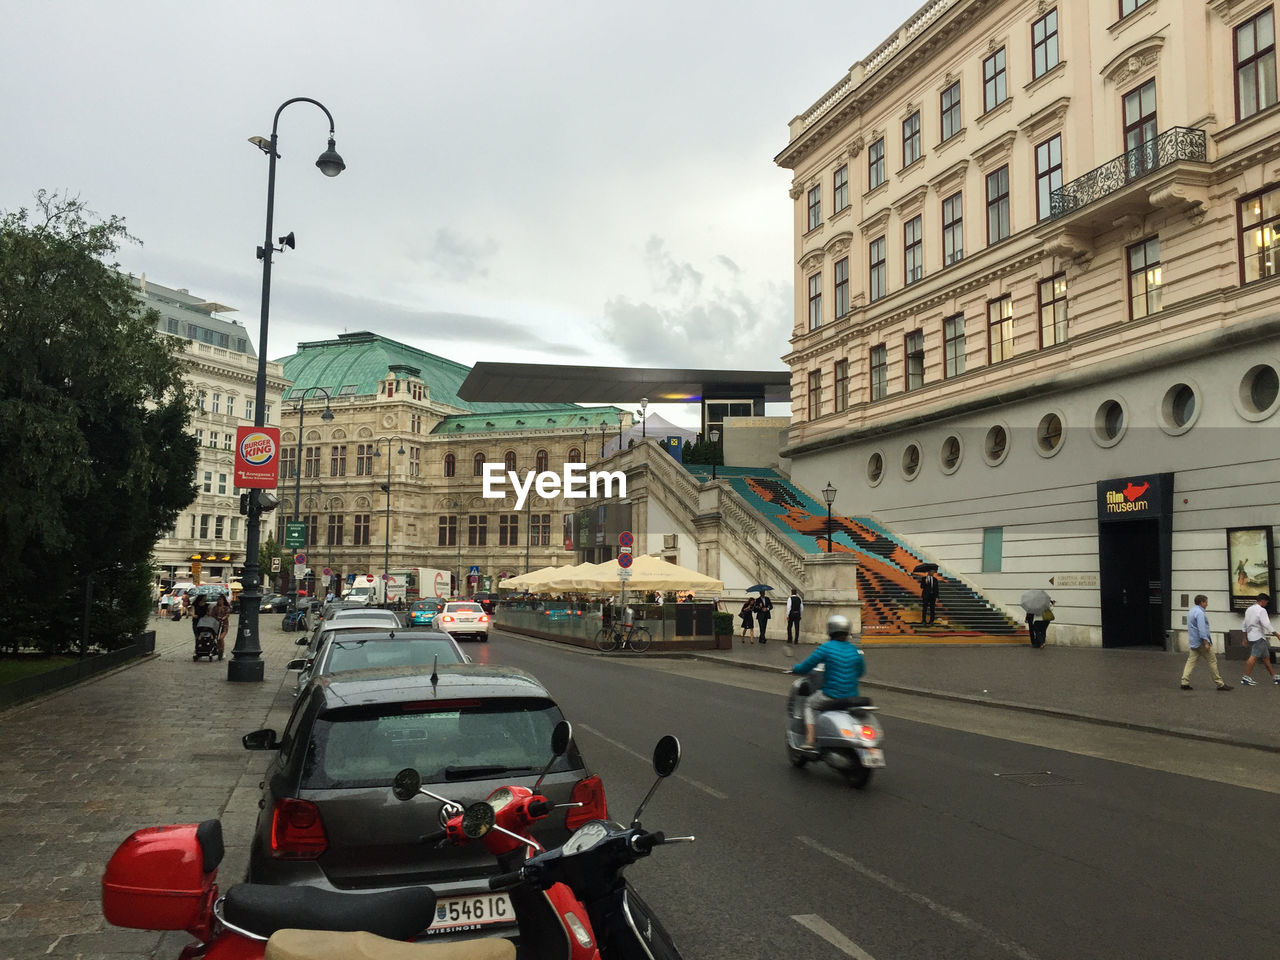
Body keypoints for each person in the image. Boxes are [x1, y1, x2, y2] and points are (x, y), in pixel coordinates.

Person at [790, 614, 865, 751]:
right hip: (852, 696)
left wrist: (795, 668)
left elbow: (807, 665)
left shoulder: (826, 648)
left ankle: (811, 739)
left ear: (830, 630)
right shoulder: (854, 649)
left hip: (832, 695)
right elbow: (860, 672)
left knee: (809, 705)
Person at [1180, 594, 1230, 691]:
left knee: (1191, 661)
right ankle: (1219, 683)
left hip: (1194, 641)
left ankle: (1184, 681)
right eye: (1206, 602)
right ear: (1201, 602)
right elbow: (1202, 629)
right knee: (1212, 661)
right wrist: (1206, 642)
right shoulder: (1200, 613)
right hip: (1202, 642)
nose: (1207, 604)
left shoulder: (1191, 611)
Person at [1240, 593, 1280, 686]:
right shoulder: (1261, 610)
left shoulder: (1249, 609)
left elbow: (1244, 624)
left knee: (1266, 658)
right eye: (1266, 602)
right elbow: (1267, 624)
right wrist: (1277, 634)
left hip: (1251, 636)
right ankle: (1246, 677)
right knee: (1253, 657)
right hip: (1258, 637)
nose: (1266, 604)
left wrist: (1245, 637)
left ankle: (1274, 676)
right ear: (1263, 601)